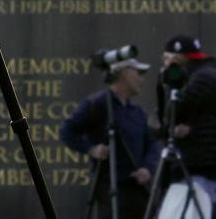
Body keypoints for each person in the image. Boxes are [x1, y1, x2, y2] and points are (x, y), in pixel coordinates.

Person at [60, 56, 159, 219]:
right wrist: (91, 149)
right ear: (125, 73)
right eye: (138, 73)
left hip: (138, 189)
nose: (141, 79)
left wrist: (147, 169)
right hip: (110, 186)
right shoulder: (98, 104)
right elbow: (67, 130)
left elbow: (151, 144)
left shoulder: (137, 112)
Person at [158, 35, 216, 208]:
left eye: (169, 59)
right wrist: (168, 129)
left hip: (201, 165)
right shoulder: (188, 78)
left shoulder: (204, 77)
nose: (165, 63)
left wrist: (169, 83)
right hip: (186, 164)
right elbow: (159, 119)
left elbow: (173, 113)